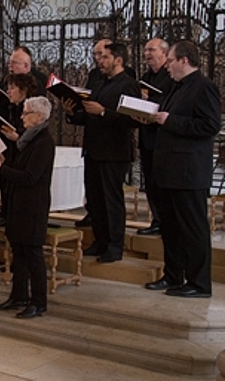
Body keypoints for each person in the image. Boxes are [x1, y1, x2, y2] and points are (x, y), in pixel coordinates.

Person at [144, 41, 221, 298]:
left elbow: (209, 126)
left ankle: (199, 283)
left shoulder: (204, 87)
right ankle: (173, 275)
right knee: (172, 227)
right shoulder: (178, 88)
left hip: (189, 172)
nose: (167, 67)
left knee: (193, 228)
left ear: (184, 61)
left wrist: (171, 120)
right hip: (170, 170)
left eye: (171, 61)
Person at [64, 42, 140, 263]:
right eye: (99, 57)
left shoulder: (129, 84)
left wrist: (104, 112)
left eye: (105, 57)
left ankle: (115, 246)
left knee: (111, 201)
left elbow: (133, 120)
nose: (100, 61)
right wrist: (72, 113)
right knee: (95, 200)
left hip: (114, 152)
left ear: (118, 59)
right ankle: (100, 241)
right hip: (94, 149)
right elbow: (88, 116)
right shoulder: (99, 82)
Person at [0, 96, 55, 318]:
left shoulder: (43, 142)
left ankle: (39, 301)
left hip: (33, 206)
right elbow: (19, 168)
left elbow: (30, 177)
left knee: (33, 254)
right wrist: (4, 161)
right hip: (19, 204)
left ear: (38, 116)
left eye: (25, 113)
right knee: (19, 253)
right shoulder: (28, 140)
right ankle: (18, 296)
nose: (21, 117)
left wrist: (1, 168)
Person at [0, 73, 40, 228]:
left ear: (23, 90)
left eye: (12, 88)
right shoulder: (12, 107)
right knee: (5, 182)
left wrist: (16, 136)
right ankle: (6, 212)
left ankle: (9, 214)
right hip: (9, 151)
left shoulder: (28, 108)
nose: (8, 91)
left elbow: (30, 134)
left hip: (20, 154)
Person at [136, 38, 175, 236]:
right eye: (145, 51)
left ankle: (165, 221)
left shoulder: (171, 78)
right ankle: (157, 219)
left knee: (162, 182)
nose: (147, 54)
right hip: (147, 136)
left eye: (151, 50)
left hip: (164, 139)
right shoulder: (146, 77)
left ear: (164, 53)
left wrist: (149, 101)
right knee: (150, 181)